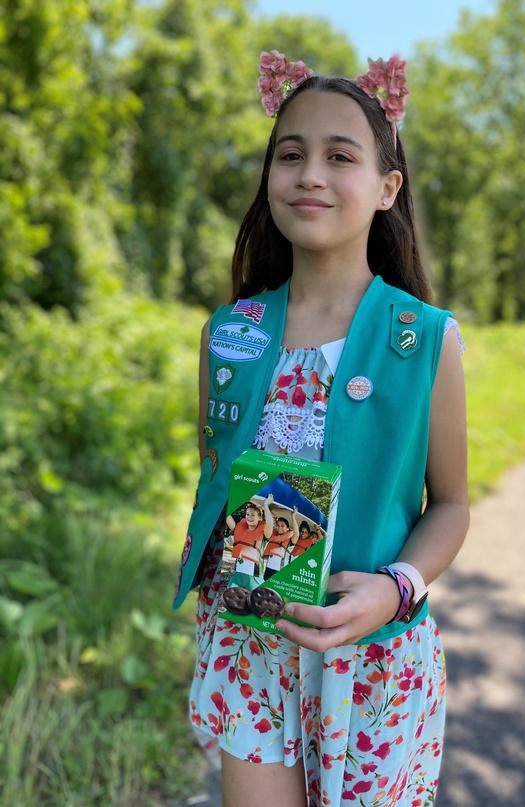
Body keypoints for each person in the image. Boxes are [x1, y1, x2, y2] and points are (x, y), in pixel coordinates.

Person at [181, 50, 469, 807]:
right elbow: (217, 477)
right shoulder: (230, 332)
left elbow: (450, 505)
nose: (310, 174)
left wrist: (396, 590)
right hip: (252, 648)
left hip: (371, 659)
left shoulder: (424, 339)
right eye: (290, 154)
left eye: (340, 156)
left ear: (386, 187)